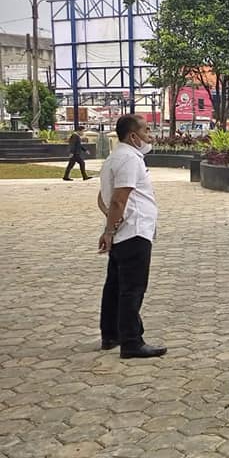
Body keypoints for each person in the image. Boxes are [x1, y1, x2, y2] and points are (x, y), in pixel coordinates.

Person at [97, 114, 166, 358]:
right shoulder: (128, 159)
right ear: (133, 136)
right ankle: (131, 341)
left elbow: (102, 199)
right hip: (135, 231)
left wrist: (110, 227)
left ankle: (111, 334)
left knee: (115, 285)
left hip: (123, 232)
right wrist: (109, 229)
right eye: (146, 130)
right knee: (132, 288)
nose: (150, 135)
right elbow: (118, 199)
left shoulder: (115, 157)